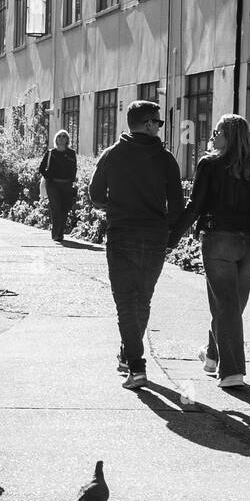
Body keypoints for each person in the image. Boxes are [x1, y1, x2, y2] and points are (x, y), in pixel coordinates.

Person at [168, 114, 250, 388]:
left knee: (227, 307)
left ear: (228, 136)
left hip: (219, 241)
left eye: (216, 132)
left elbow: (195, 206)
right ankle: (212, 356)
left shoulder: (209, 164)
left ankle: (232, 371)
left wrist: (171, 238)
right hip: (249, 243)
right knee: (232, 306)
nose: (212, 136)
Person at [89, 101, 184, 389]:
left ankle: (135, 364)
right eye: (158, 121)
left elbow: (94, 194)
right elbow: (178, 206)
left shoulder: (112, 155)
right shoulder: (165, 159)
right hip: (154, 237)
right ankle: (130, 357)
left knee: (125, 305)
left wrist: (115, 207)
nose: (160, 127)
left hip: (122, 235)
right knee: (142, 300)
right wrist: (172, 238)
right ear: (147, 124)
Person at [38, 130, 77, 242]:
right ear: (56, 139)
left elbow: (74, 168)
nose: (61, 138)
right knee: (56, 209)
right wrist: (48, 177)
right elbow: (41, 168)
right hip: (53, 185)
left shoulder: (71, 153)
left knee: (64, 209)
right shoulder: (51, 153)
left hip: (66, 185)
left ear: (67, 139)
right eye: (59, 136)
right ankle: (56, 234)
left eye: (64, 136)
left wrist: (72, 181)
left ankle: (60, 233)